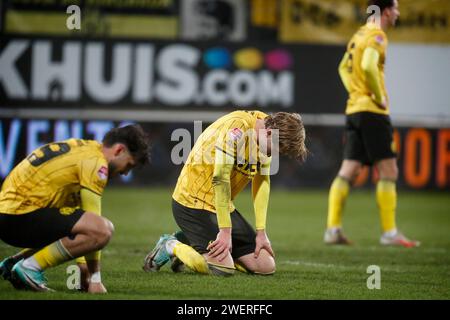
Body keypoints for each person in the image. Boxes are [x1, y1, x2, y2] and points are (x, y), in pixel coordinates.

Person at [143, 110, 307, 276]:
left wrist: (261, 232)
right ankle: (170, 245)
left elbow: (262, 182)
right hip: (192, 202)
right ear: (270, 133)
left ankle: (192, 241)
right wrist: (225, 231)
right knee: (223, 268)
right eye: (277, 149)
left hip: (221, 206)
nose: (275, 154)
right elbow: (220, 178)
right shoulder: (236, 130)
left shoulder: (266, 131)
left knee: (265, 266)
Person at [0, 124, 150, 292]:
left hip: (10, 213)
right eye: (129, 165)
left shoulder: (85, 149)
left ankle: (15, 263)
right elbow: (95, 227)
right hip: (19, 216)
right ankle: (30, 268)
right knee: (103, 229)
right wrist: (95, 279)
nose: (125, 173)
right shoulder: (97, 165)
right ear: (119, 150)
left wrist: (82, 265)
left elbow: (76, 219)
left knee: (77, 222)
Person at [324, 0, 419, 247]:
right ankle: (389, 233)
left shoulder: (358, 35)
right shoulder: (377, 35)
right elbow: (367, 66)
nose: (398, 13)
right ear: (386, 11)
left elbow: (342, 68)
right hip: (372, 112)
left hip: (354, 110)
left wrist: (355, 92)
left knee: (349, 171)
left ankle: (332, 229)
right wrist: (378, 95)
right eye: (396, 9)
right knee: (389, 170)